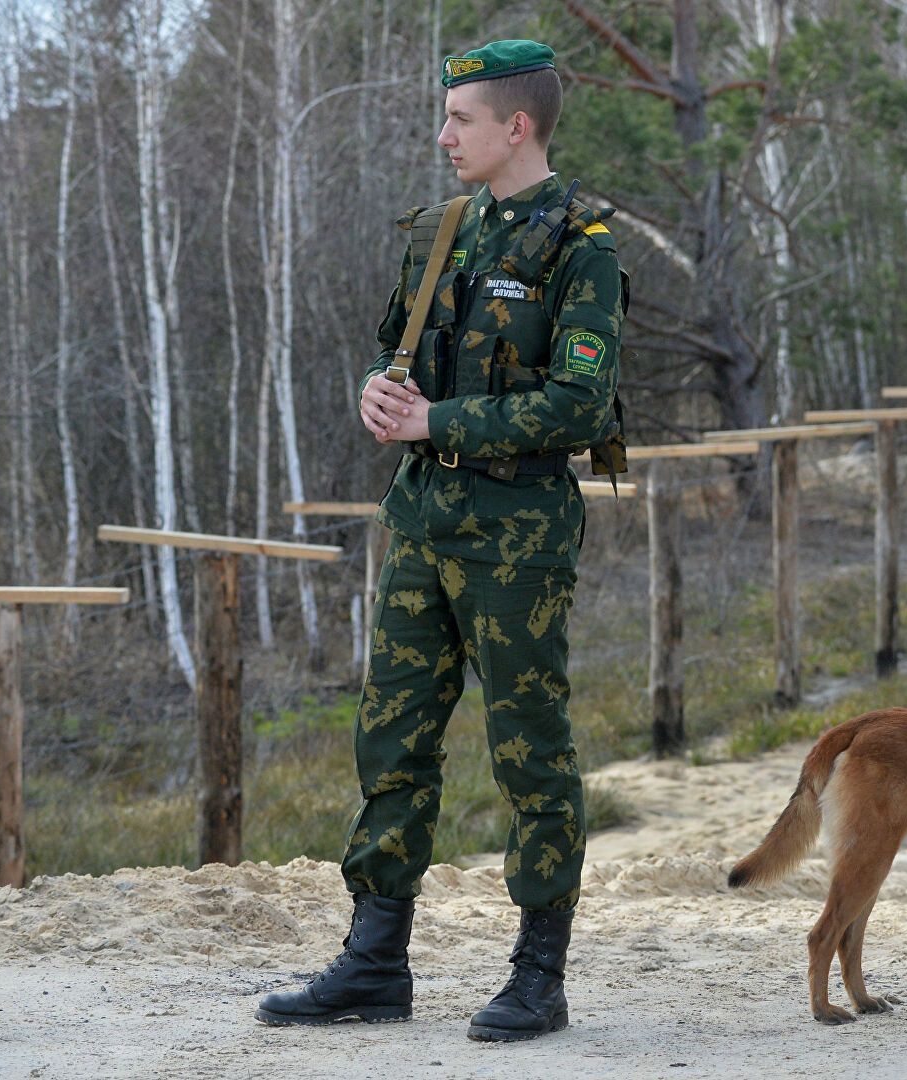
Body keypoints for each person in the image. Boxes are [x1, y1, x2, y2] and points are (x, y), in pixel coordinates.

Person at [256, 39, 627, 1043]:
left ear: (519, 125)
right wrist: (381, 392)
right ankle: (375, 960)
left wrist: (441, 424)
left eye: (460, 118)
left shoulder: (579, 244)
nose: (443, 133)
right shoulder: (440, 231)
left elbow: (581, 405)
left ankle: (538, 975)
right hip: (422, 524)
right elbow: (400, 349)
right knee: (393, 739)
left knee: (529, 749)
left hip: (517, 536)